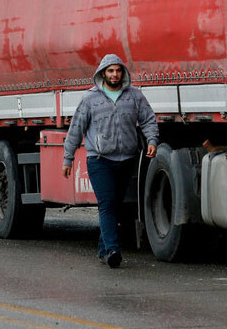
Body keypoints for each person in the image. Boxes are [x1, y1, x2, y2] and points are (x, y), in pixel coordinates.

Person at [62, 53, 158, 268]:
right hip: (99, 160)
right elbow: (76, 129)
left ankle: (103, 247)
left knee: (116, 205)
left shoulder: (134, 96)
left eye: (118, 70)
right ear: (102, 73)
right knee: (106, 204)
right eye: (110, 71)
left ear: (122, 72)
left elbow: (148, 119)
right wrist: (67, 158)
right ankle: (113, 250)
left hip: (126, 160)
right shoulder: (90, 99)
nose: (114, 75)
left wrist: (152, 139)